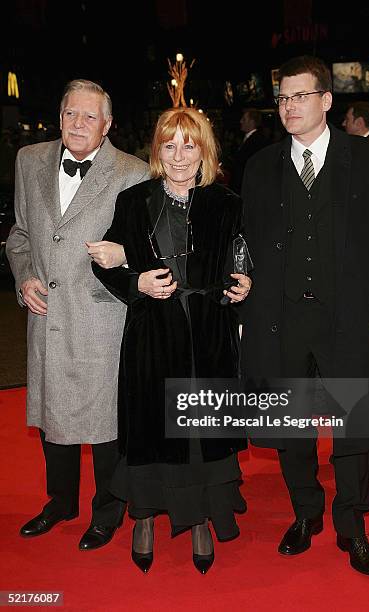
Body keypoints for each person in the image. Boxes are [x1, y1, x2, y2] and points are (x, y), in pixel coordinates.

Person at [241, 56, 369, 577]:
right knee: (291, 429)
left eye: (300, 96)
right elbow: (249, 244)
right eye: (283, 98)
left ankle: (352, 528)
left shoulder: (368, 160)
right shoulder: (261, 166)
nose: (288, 106)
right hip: (282, 320)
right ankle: (305, 514)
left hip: (349, 320)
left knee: (354, 428)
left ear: (326, 101)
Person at [92, 107, 251, 574]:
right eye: (169, 144)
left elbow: (241, 260)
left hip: (208, 336)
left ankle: (199, 518)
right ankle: (143, 518)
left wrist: (244, 282)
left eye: (189, 144)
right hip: (152, 339)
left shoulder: (225, 202)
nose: (179, 155)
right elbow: (104, 262)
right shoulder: (134, 200)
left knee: (201, 431)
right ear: (156, 149)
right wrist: (136, 282)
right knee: (150, 431)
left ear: (204, 149)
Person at [6, 79, 149, 550]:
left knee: (106, 424)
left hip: (102, 319)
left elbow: (150, 249)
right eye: (71, 114)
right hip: (45, 314)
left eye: (90, 116)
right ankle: (60, 502)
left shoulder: (134, 172)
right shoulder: (29, 161)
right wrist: (24, 275)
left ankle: (107, 512)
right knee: (52, 415)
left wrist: (123, 254)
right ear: (59, 116)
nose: (79, 124)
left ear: (108, 125)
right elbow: (20, 234)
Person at [229, 108, 270, 194]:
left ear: (251, 122)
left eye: (244, 119)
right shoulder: (247, 138)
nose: (240, 121)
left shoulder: (258, 141)